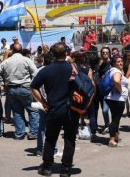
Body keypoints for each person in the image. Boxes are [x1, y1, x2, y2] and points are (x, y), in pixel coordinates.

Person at [31, 42, 79, 177]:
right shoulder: (73, 68)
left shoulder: (46, 70)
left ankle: (47, 167)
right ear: (66, 53)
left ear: (52, 54)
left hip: (54, 109)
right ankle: (66, 169)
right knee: (70, 139)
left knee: (51, 138)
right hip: (72, 109)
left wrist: (44, 102)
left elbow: (33, 86)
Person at [0, 43, 38, 140]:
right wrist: (33, 84)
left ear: (12, 50)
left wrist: (2, 83)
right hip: (25, 88)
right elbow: (35, 73)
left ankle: (19, 133)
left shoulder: (7, 61)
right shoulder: (26, 60)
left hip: (11, 89)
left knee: (17, 111)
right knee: (32, 111)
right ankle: (33, 133)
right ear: (21, 50)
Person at [105, 54, 129, 147]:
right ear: (114, 63)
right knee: (115, 119)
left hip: (111, 98)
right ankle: (111, 140)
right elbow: (116, 80)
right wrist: (122, 91)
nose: (121, 63)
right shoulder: (116, 71)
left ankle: (115, 136)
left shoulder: (111, 70)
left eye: (121, 61)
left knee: (115, 118)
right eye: (118, 61)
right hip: (117, 99)